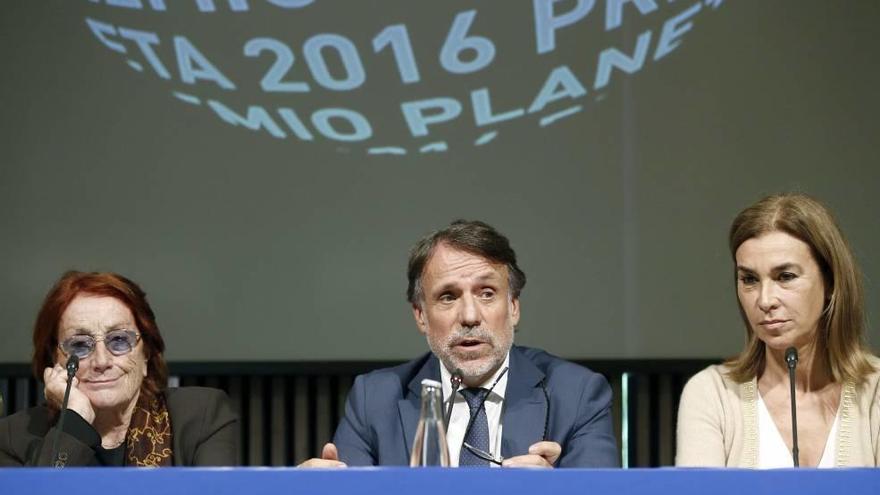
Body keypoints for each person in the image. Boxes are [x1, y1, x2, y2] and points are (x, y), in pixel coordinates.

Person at [301, 220, 618, 468]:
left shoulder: (576, 394)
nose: (469, 316)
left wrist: (554, 491)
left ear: (513, 307)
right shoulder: (374, 400)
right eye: (448, 296)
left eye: (487, 293)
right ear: (421, 315)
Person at [676, 193, 880, 467]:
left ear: (831, 282)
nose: (764, 300)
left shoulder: (875, 391)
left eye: (785, 277)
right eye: (749, 279)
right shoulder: (713, 394)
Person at [0, 271, 239, 466]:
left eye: (119, 340)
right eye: (80, 345)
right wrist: (73, 422)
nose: (101, 361)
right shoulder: (13, 437)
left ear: (146, 354)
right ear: (55, 357)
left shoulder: (200, 416)